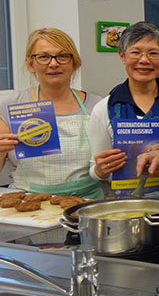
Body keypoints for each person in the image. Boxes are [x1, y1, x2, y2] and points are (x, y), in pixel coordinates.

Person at [88, 21, 159, 195]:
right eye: (135, 52)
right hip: (125, 207)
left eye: (153, 53)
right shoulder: (104, 108)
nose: (144, 60)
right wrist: (100, 170)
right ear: (122, 56)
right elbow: (95, 172)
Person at [0, 28, 103, 198]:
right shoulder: (10, 105)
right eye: (43, 57)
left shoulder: (96, 106)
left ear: (74, 62)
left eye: (62, 56)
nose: (53, 64)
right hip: (30, 203)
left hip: (86, 203)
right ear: (30, 64)